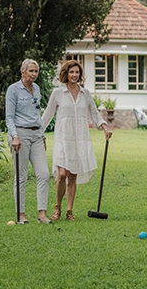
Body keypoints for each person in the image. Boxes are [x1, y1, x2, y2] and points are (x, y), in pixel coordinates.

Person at [41, 60, 112, 221]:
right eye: (71, 72)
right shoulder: (58, 93)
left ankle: (69, 211)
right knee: (62, 174)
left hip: (79, 139)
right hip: (63, 139)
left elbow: (94, 114)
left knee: (72, 175)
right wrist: (38, 133)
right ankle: (57, 207)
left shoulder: (85, 94)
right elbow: (47, 115)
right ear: (66, 73)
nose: (74, 75)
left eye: (77, 72)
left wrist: (105, 127)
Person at [5, 59, 51, 224]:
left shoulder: (36, 89)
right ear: (23, 71)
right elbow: (9, 117)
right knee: (21, 176)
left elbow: (37, 115)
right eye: (31, 71)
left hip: (36, 134)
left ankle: (42, 214)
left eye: (36, 71)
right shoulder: (13, 90)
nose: (34, 74)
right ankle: (21, 214)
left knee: (44, 174)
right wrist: (14, 136)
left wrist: (42, 135)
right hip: (20, 134)